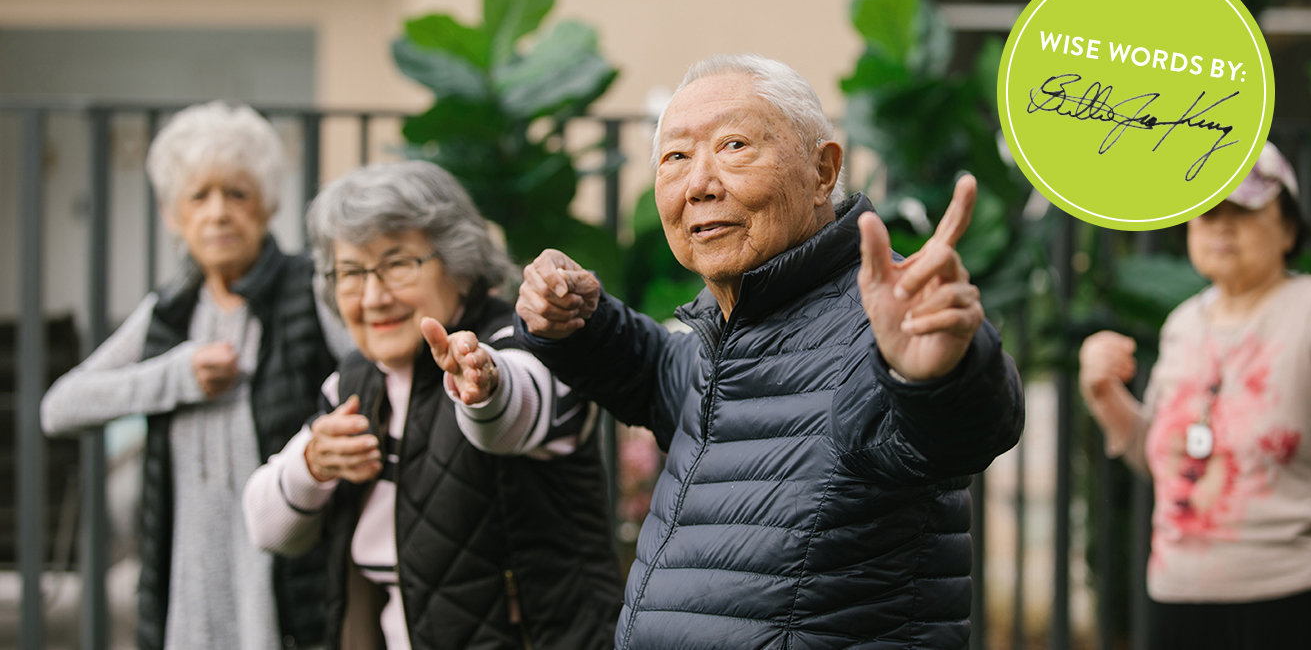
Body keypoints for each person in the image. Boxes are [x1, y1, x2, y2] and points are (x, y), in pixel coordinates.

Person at [512, 54, 1024, 649]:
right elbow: (659, 373)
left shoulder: (885, 323)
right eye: (676, 156)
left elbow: (963, 430)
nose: (700, 185)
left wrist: (939, 373)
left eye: (733, 146)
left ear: (822, 171)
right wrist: (581, 322)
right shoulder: (725, 330)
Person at [242, 160, 622, 650]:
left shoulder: (524, 344)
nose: (374, 296)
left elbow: (517, 403)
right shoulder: (353, 383)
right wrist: (311, 465)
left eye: (398, 264)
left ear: (458, 263)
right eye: (352, 272)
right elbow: (266, 527)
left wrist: (484, 387)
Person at [41, 101, 340, 650]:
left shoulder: (309, 290)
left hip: (287, 570)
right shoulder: (170, 311)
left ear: (268, 205)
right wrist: (176, 376)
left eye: (237, 194)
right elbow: (60, 407)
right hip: (186, 578)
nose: (218, 213)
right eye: (198, 196)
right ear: (171, 216)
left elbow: (365, 381)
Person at [1080, 142, 1311, 649]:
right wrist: (1103, 393)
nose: (1221, 225)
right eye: (1208, 210)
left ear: (1289, 228)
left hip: (1293, 597)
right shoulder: (1183, 324)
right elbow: (1165, 459)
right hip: (1177, 597)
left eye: (1245, 210)